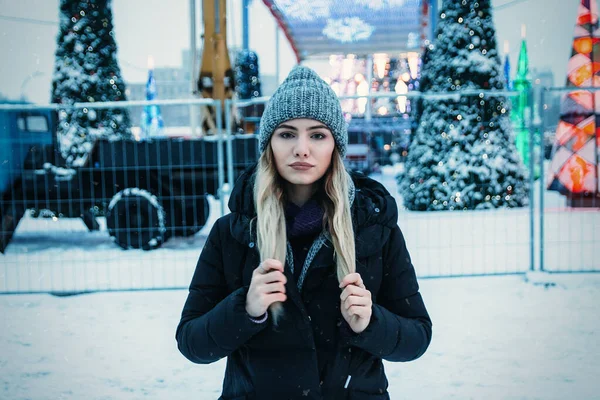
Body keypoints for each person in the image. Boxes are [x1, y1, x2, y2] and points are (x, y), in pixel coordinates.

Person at [176, 65, 432, 400]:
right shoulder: (233, 232)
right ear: (269, 144)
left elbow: (416, 337)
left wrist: (371, 323)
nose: (301, 149)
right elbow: (192, 343)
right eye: (286, 133)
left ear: (335, 146)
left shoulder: (374, 228)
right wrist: (246, 308)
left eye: (317, 134)